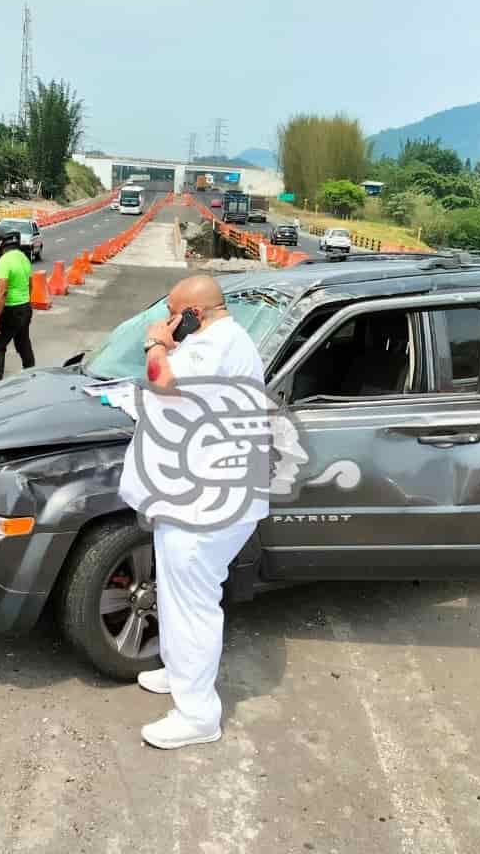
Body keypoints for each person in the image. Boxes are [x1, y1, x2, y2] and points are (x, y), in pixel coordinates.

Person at [118, 275, 268, 750]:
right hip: (195, 496)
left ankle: (198, 713)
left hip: (208, 505)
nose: (166, 323)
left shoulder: (217, 344)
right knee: (180, 597)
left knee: (193, 607)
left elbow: (162, 380)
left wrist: (154, 344)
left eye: (172, 315)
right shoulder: (216, 340)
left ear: (193, 315)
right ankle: (179, 672)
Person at [0, 231, 36, 384]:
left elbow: (2, 291)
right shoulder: (24, 258)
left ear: (1, 244)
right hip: (25, 306)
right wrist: (26, 302)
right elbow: (31, 285)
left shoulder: (4, 261)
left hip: (10, 309)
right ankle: (31, 373)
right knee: (23, 343)